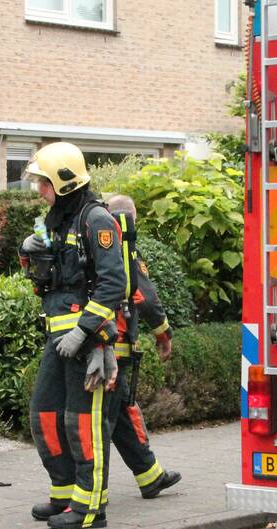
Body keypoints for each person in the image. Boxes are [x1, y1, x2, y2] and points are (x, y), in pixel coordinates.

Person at [21, 142, 126, 529]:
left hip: (87, 342)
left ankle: (89, 508)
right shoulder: (56, 219)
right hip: (58, 341)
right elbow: (48, 280)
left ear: (64, 182)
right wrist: (26, 252)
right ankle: (64, 492)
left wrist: (86, 334)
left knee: (82, 423)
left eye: (43, 183)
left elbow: (113, 283)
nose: (39, 190)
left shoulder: (96, 220)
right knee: (44, 415)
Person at [104, 195, 181, 499]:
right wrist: (164, 336)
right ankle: (86, 490)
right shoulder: (125, 253)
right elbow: (145, 299)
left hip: (101, 348)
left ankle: (150, 476)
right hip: (116, 350)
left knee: (120, 413)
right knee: (105, 420)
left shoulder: (99, 246)